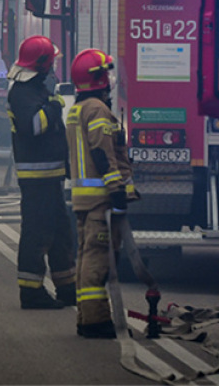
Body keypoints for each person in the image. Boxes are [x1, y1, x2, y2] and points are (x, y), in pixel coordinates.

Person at [65, 48, 138, 339]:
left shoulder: (77, 109)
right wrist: (116, 189)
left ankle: (86, 318)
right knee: (98, 260)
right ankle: (96, 323)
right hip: (100, 199)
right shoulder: (96, 109)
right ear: (96, 80)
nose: (109, 78)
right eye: (105, 73)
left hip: (84, 199)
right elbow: (101, 152)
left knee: (85, 256)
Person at [7, 36, 77, 309]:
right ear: (43, 64)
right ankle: (32, 292)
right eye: (52, 61)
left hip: (51, 174)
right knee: (37, 234)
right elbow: (34, 126)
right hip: (36, 177)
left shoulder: (36, 87)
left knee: (61, 231)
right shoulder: (23, 92)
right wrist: (56, 104)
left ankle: (67, 286)